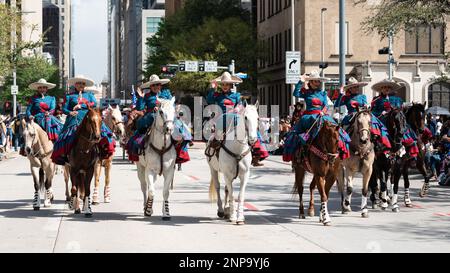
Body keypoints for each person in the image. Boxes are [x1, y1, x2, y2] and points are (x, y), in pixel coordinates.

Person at [283, 70, 350, 162]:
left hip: (322, 115)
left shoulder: (322, 93)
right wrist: (301, 82)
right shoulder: (306, 92)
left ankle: (339, 150)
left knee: (335, 130)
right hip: (309, 116)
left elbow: (326, 105)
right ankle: (301, 149)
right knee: (295, 133)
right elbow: (295, 93)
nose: (318, 83)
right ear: (310, 82)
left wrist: (323, 111)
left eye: (318, 81)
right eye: (315, 81)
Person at [206, 71, 268, 167]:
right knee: (215, 139)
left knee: (252, 132)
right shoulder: (217, 96)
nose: (225, 86)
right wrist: (212, 89)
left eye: (227, 84)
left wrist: (237, 108)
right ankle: (214, 156)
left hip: (235, 120)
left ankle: (255, 156)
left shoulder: (236, 96)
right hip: (221, 121)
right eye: (223, 84)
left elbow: (240, 105)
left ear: (231, 85)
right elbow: (209, 100)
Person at [51, 75, 116, 165]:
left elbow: (94, 104)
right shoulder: (69, 96)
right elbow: (64, 109)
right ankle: (65, 155)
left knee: (104, 132)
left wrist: (81, 106)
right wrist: (70, 112)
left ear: (85, 85)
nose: (81, 85)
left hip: (89, 116)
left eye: (82, 83)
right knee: (66, 136)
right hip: (74, 118)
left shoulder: (90, 95)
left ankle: (103, 152)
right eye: (79, 83)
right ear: (75, 85)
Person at [126, 74, 192, 163]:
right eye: (153, 85)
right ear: (150, 86)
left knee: (179, 125)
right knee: (140, 131)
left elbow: (171, 104)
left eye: (157, 84)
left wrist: (172, 108)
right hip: (151, 116)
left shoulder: (166, 94)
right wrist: (141, 98)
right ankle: (139, 149)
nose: (156, 87)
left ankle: (182, 145)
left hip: (166, 116)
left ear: (160, 85)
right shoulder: (146, 96)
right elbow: (140, 108)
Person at [334, 77, 391, 151]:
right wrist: (340, 94)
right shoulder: (346, 97)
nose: (356, 88)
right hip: (351, 116)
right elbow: (336, 105)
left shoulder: (362, 96)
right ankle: (343, 145)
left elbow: (365, 105)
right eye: (354, 87)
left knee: (375, 124)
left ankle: (378, 141)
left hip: (362, 114)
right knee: (343, 129)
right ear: (350, 89)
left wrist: (365, 106)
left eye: (357, 86)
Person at [371, 79, 419, 159]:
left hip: (396, 119)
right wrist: (381, 113)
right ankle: (379, 147)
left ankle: (409, 149)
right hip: (382, 120)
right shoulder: (376, 100)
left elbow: (400, 109)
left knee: (405, 126)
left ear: (390, 89)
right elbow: (372, 112)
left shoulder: (397, 99)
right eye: (384, 87)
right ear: (381, 89)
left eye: (388, 87)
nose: (386, 89)